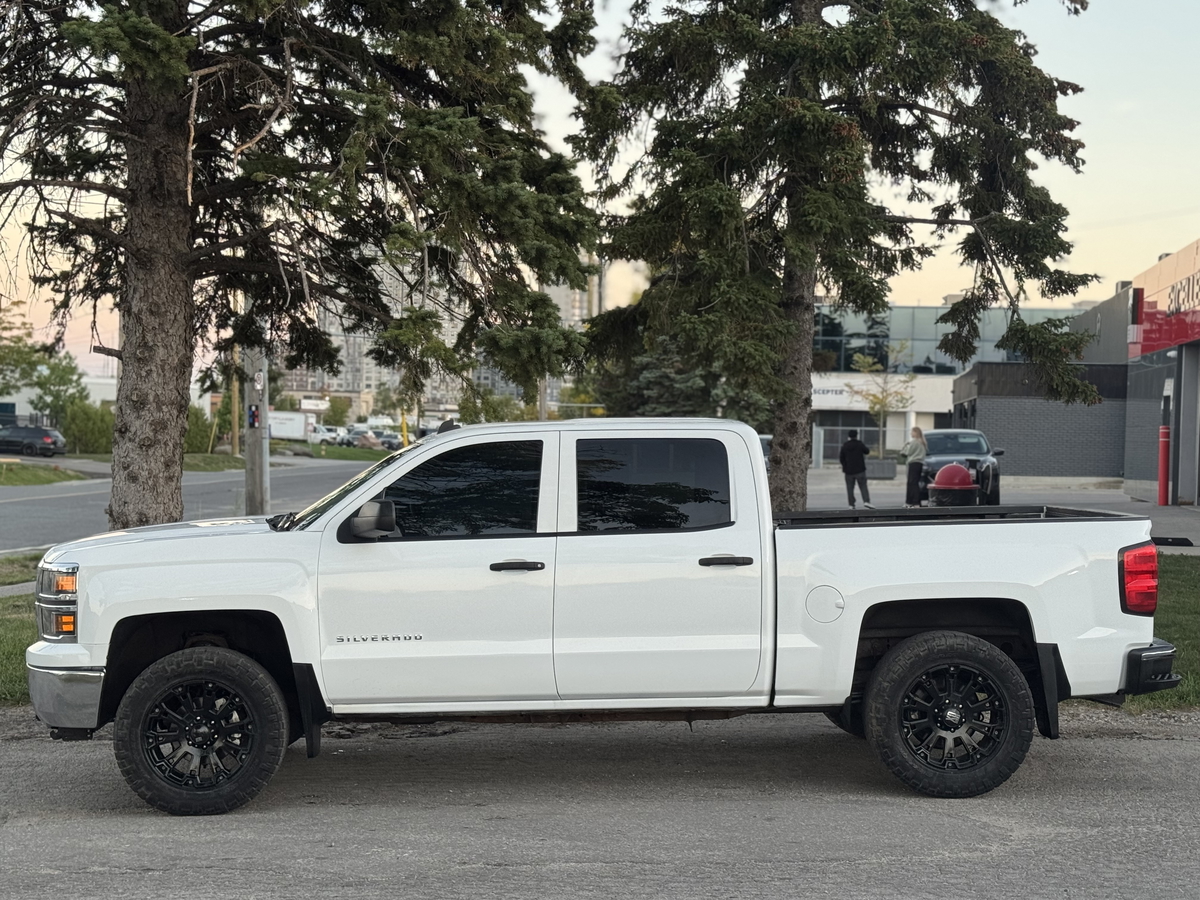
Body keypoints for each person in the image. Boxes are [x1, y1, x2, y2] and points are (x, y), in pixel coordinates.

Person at [839, 429, 874, 509]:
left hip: (848, 470)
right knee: (863, 486)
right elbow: (867, 451)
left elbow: (841, 457)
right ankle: (866, 501)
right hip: (860, 469)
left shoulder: (845, 445)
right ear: (856, 435)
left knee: (850, 488)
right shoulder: (859, 444)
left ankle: (851, 504)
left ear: (849, 436)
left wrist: (845, 465)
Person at [898, 426, 928, 508]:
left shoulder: (914, 442)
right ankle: (916, 501)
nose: (911, 433)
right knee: (915, 483)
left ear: (915, 433)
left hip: (913, 463)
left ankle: (911, 502)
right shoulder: (922, 442)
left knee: (911, 483)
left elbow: (907, 452)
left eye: (912, 432)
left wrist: (905, 446)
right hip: (920, 463)